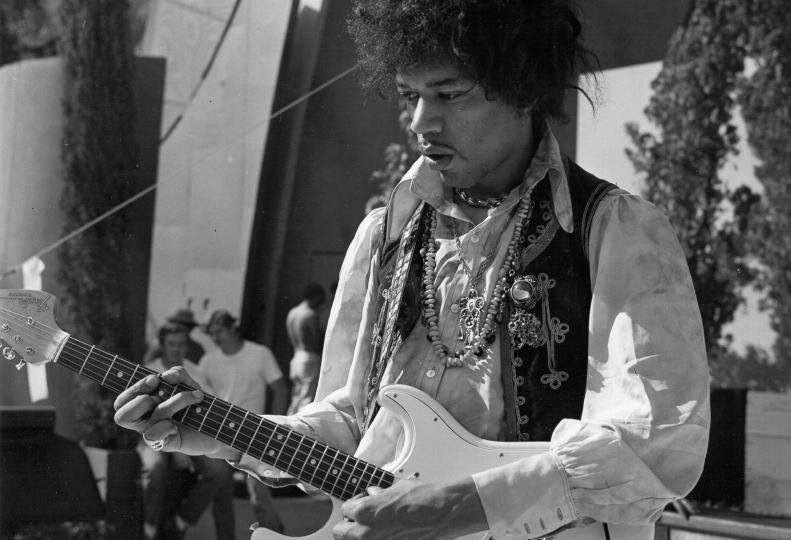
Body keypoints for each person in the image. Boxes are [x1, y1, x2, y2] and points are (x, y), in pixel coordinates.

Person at [114, 2, 710, 539]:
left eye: (450, 94)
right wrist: (223, 431)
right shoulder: (384, 237)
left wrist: (455, 507)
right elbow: (353, 426)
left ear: (525, 89)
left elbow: (655, 444)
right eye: (409, 95)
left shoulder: (615, 229)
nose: (421, 122)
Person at [140, 323, 235, 540]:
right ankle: (149, 528)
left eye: (181, 344)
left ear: (187, 347)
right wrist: (176, 451)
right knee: (156, 469)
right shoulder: (149, 370)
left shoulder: (196, 372)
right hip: (152, 435)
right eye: (171, 344)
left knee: (219, 471)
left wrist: (186, 447)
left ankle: (181, 521)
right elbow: (146, 417)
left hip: (190, 437)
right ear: (162, 345)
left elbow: (209, 411)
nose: (176, 349)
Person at [198, 309, 289, 534]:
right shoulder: (208, 361)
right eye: (212, 333)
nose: (216, 337)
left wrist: (275, 425)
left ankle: (273, 535)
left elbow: (279, 388)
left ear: (232, 328)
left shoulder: (259, 353)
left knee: (259, 491)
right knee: (221, 494)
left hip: (254, 432)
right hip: (220, 433)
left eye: (219, 331)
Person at [285, 283, 329, 415]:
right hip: (309, 357)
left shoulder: (292, 313)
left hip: (296, 357)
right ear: (315, 297)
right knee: (306, 401)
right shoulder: (310, 314)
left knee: (295, 399)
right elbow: (315, 340)